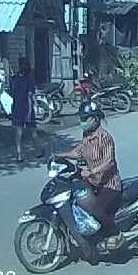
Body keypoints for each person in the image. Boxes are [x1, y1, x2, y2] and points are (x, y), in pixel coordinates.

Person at [57, 100, 123, 251]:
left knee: (96, 210)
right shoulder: (87, 136)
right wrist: (61, 155)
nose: (82, 122)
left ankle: (116, 233)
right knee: (78, 202)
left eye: (85, 118)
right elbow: (78, 152)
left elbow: (109, 162)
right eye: (81, 118)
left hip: (109, 185)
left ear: (95, 119)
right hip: (92, 182)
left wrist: (92, 171)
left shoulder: (104, 137)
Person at [10, 57, 44, 161]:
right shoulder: (29, 79)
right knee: (33, 131)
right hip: (26, 108)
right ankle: (38, 151)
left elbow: (13, 93)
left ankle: (19, 155)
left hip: (17, 107)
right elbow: (29, 97)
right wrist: (29, 111)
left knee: (18, 133)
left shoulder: (15, 78)